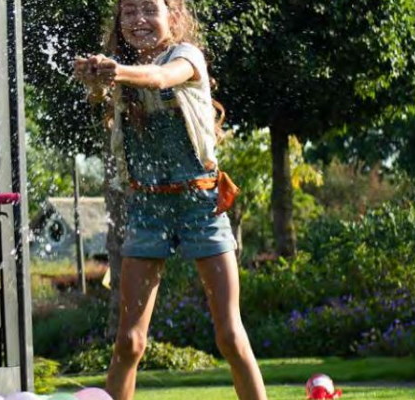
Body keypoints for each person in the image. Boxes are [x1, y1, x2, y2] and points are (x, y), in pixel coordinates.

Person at [73, 1, 268, 399]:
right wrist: (93, 76)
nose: (138, 19)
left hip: (200, 205)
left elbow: (162, 78)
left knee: (230, 335)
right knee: (129, 342)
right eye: (128, 11)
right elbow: (98, 96)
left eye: (149, 9)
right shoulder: (119, 71)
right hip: (147, 209)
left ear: (172, 17)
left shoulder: (186, 57)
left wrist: (116, 71)